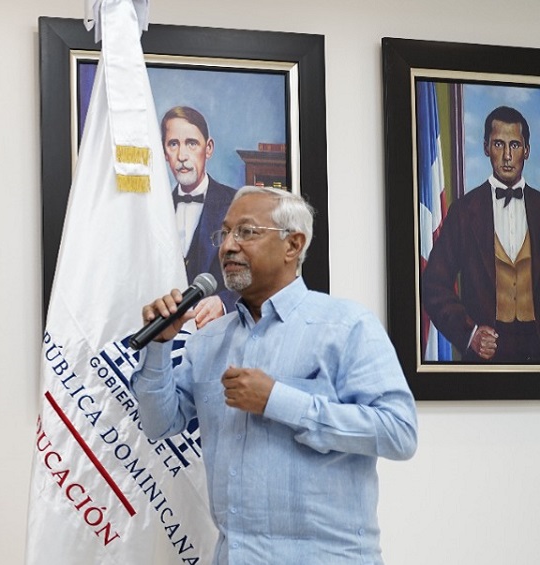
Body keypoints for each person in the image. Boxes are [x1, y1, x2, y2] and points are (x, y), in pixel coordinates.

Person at [131, 186, 418, 564]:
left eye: (246, 232)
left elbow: (399, 433)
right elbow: (157, 423)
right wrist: (159, 346)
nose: (228, 246)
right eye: (225, 233)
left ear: (293, 245)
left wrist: (278, 401)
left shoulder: (346, 326)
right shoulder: (208, 342)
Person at [421, 105, 540, 362]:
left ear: (527, 151)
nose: (507, 155)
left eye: (515, 145)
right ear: (486, 148)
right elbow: (433, 284)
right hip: (485, 357)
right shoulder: (464, 211)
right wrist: (470, 333)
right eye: (498, 144)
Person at [161, 106, 238, 325]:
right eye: (173, 144)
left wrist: (224, 303)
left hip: (220, 335)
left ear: (209, 148)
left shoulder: (237, 204)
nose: (182, 156)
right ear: (164, 152)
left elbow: (261, 277)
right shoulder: (156, 211)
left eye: (191, 143)